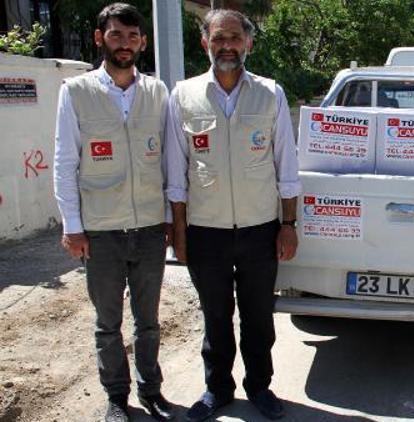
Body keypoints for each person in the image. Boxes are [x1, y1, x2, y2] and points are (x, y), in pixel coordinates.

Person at [165, 9, 301, 422]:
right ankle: (217, 389)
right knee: (216, 316)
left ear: (248, 44)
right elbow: (176, 171)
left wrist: (288, 225)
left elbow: (286, 166)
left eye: (235, 38)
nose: (227, 46)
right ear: (205, 43)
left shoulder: (270, 93)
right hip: (207, 231)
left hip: (261, 228)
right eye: (218, 38)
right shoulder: (182, 96)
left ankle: (260, 386)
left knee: (258, 316)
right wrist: (180, 233)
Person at [52, 3, 175, 422]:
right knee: (108, 325)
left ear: (142, 42)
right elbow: (65, 162)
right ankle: (116, 399)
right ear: (100, 37)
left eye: (132, 36)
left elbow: (170, 161)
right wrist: (73, 226)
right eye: (116, 35)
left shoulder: (157, 92)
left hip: (149, 228)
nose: (125, 44)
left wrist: (171, 221)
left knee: (149, 322)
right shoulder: (76, 91)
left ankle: (152, 391)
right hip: (100, 232)